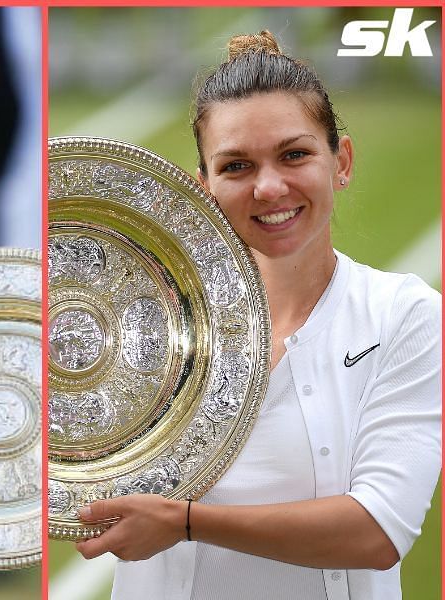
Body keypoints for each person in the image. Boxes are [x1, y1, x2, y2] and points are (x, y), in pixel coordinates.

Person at [73, 31, 441, 599]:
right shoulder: (142, 327)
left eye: (294, 155)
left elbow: (377, 529)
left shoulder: (404, 316)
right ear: (205, 187)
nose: (269, 187)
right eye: (237, 166)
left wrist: (186, 522)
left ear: (340, 162)